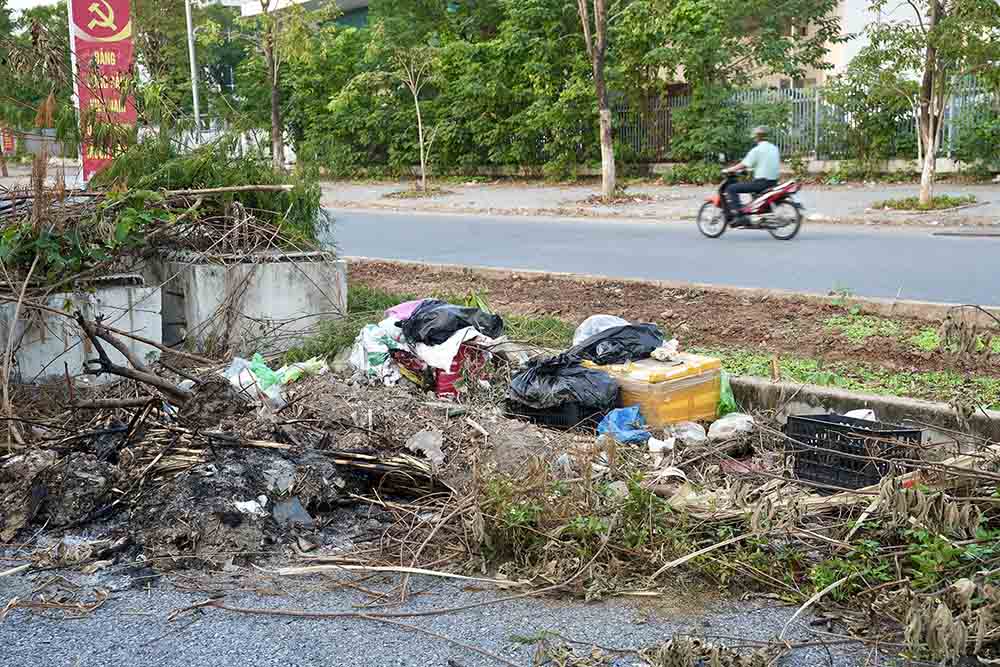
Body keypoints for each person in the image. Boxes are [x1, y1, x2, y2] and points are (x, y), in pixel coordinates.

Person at [723, 126, 780, 225]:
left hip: (762, 183)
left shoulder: (757, 150)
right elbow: (764, 163)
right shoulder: (774, 148)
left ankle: (740, 216)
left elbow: (744, 164)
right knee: (751, 186)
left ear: (757, 137)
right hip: (773, 182)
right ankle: (754, 215)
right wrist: (750, 169)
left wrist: (729, 170)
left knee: (731, 188)